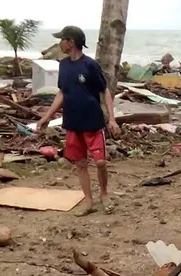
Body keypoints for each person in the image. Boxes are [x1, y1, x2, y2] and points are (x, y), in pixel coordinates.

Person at [37, 26, 120, 216]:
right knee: (81, 164)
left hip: (93, 121)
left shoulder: (90, 65)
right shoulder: (63, 65)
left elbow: (104, 90)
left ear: (71, 42)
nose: (59, 43)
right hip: (73, 123)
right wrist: (46, 117)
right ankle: (89, 202)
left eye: (62, 39)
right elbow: (62, 93)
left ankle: (104, 196)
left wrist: (112, 119)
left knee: (100, 162)